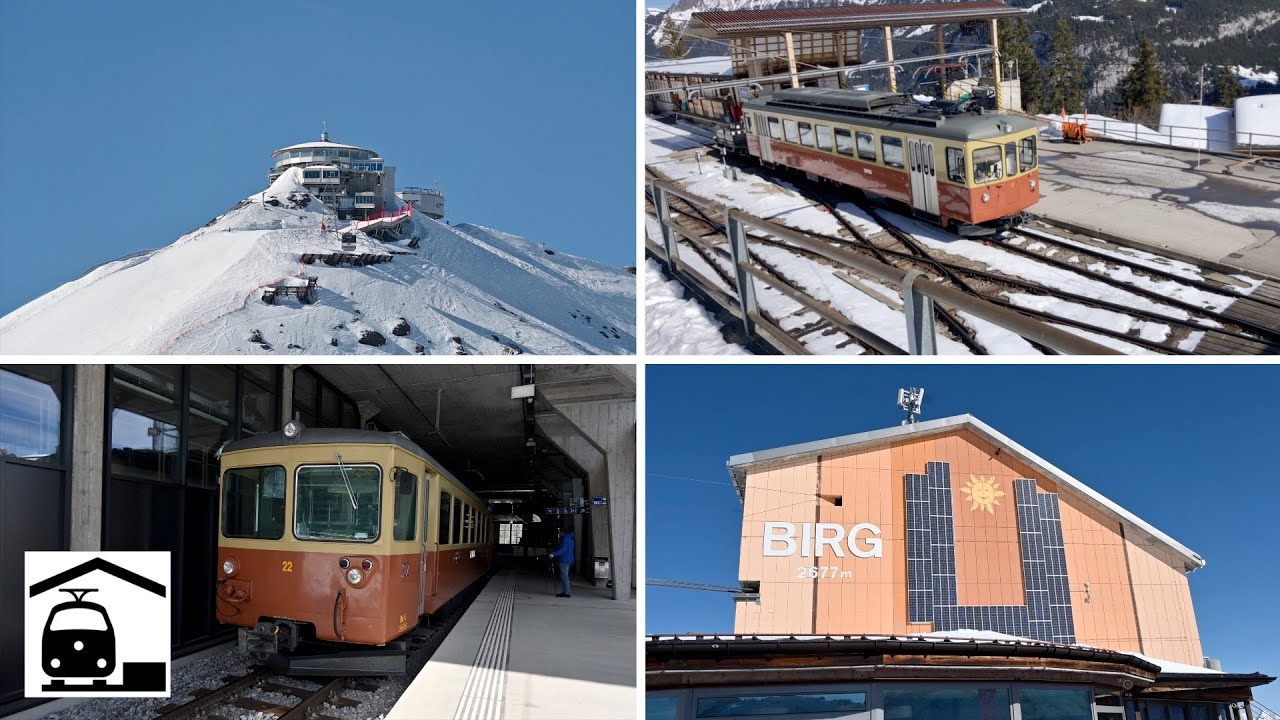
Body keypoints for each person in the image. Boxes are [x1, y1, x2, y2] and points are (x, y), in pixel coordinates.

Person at [548, 521, 575, 598]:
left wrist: (554, 554)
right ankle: (565, 591)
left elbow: (563, 549)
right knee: (565, 576)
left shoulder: (564, 539)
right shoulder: (571, 539)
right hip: (569, 559)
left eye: (560, 532)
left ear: (562, 532)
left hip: (564, 560)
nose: (559, 534)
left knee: (564, 577)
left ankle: (566, 593)